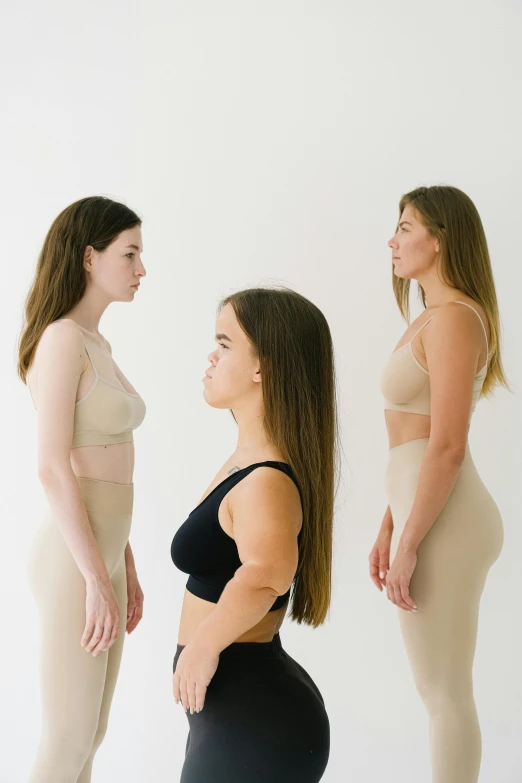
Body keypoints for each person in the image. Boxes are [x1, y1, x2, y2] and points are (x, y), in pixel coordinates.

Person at [170, 287, 337, 782]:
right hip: (237, 714)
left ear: (262, 366)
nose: (211, 356)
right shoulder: (248, 462)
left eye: (224, 344)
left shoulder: (266, 478)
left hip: (256, 721)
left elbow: (267, 576)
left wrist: (201, 649)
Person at [370, 185, 507, 783]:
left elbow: (447, 446)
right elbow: (411, 441)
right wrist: (390, 524)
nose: (392, 240)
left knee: (444, 694)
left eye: (405, 226)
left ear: (441, 237)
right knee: (440, 691)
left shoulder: (454, 319)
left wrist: (410, 541)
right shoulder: (431, 316)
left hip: (447, 520)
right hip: (427, 514)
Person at [19, 196, 147, 783]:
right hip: (76, 561)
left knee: (91, 739)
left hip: (101, 554)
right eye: (131, 253)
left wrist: (124, 563)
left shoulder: (99, 344)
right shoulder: (63, 339)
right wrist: (97, 575)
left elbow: (109, 474)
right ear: (89, 258)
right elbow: (53, 466)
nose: (141, 269)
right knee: (68, 741)